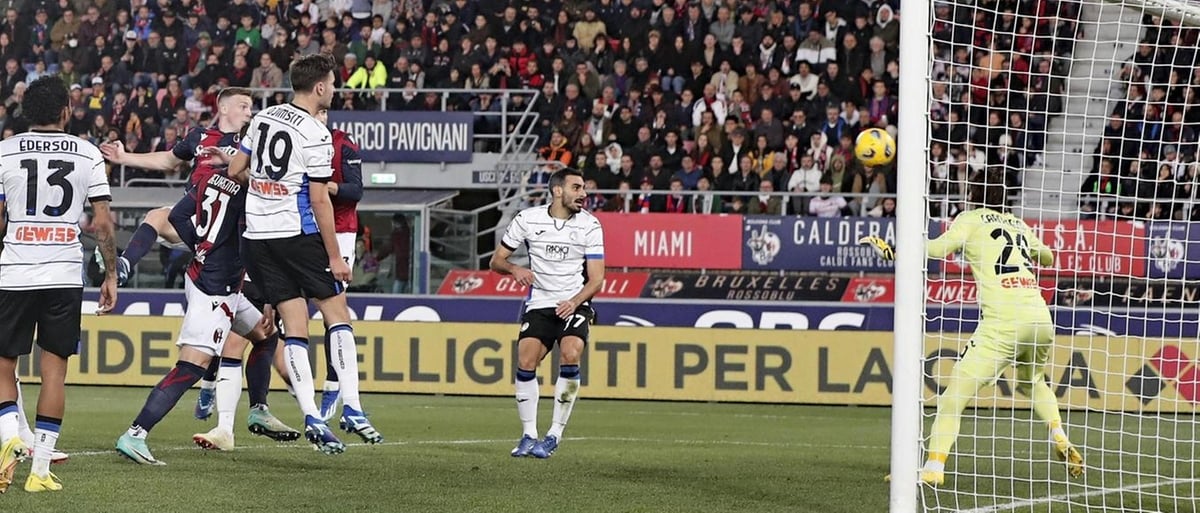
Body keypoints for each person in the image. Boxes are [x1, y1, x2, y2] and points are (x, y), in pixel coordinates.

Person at [861, 168, 1084, 486]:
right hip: (1039, 317)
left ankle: (933, 468)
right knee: (1032, 381)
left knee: (954, 396)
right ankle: (1058, 435)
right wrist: (1032, 252)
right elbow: (1047, 257)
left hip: (1004, 322)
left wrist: (898, 250)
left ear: (974, 193)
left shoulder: (970, 219)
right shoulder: (1017, 224)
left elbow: (937, 250)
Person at [226, 53, 380, 454]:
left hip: (258, 238)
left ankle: (312, 414)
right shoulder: (317, 133)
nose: (335, 88)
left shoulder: (263, 117)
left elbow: (235, 169)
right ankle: (353, 408)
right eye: (332, 82)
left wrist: (264, 188)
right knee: (336, 313)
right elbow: (320, 201)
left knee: (295, 326)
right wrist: (334, 256)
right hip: (297, 234)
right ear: (320, 87)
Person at [114, 147, 279, 465]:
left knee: (264, 335)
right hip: (216, 288)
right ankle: (136, 433)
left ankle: (258, 409)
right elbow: (251, 249)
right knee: (190, 366)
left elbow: (176, 216)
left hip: (205, 274)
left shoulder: (210, 178)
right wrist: (270, 292)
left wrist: (200, 246)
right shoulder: (249, 197)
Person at [0, 75, 118, 493]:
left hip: (13, 271)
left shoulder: (4, 152)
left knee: (3, 365)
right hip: (63, 274)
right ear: (66, 110)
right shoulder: (86, 153)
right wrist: (110, 272)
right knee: (54, 374)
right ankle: (40, 471)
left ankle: (9, 437)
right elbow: (102, 222)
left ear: (26, 111)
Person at [489, 168, 606, 459]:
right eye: (577, 188)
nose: (584, 194)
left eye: (584, 188)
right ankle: (529, 434)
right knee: (525, 359)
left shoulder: (590, 225)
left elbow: (596, 279)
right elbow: (496, 260)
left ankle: (554, 434)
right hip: (540, 303)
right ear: (557, 191)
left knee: (570, 353)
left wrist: (574, 301)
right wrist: (515, 269)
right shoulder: (528, 219)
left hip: (575, 302)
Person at [99, 87, 255, 287]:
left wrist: (229, 160)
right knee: (156, 217)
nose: (249, 113)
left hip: (231, 226)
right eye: (243, 106)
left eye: (250, 108)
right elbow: (168, 160)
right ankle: (124, 266)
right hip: (194, 219)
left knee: (248, 308)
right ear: (223, 108)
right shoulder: (199, 136)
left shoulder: (252, 141)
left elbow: (259, 177)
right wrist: (124, 157)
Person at [315, 108, 364, 422]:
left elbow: (356, 189)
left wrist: (328, 187)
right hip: (303, 230)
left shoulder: (343, 144)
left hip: (341, 231)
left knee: (331, 312)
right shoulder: (297, 142)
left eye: (320, 114)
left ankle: (334, 385)